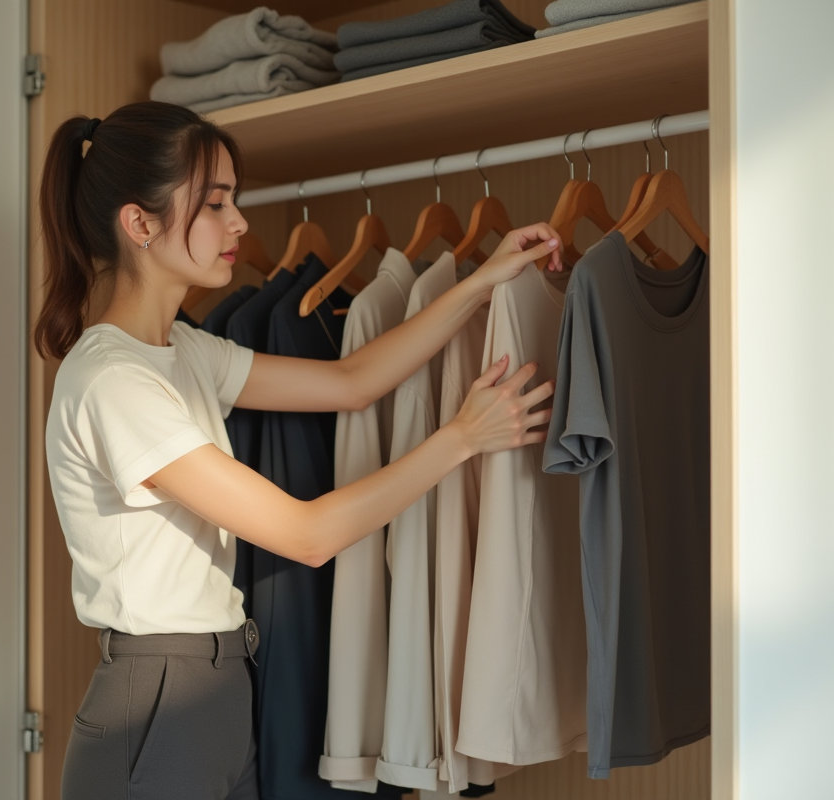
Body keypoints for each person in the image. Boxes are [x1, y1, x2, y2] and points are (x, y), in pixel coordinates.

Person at [37, 101, 563, 800]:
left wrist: (480, 283)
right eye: (215, 204)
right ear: (140, 223)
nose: (239, 223)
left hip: (216, 687)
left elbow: (352, 382)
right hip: (159, 701)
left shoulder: (180, 349)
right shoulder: (114, 382)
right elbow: (305, 535)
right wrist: (461, 438)